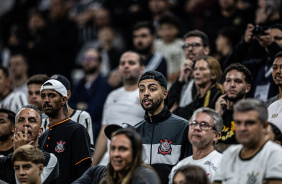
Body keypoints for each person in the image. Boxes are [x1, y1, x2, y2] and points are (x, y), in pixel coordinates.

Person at [135, 70, 191, 184]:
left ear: (165, 94)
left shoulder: (183, 127)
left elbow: (188, 171)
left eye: (152, 89)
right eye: (142, 90)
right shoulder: (134, 131)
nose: (145, 93)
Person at [92, 51, 145, 166]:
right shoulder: (112, 96)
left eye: (131, 63)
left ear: (141, 69)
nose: (126, 66)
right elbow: (103, 133)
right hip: (110, 159)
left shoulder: (147, 95)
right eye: (122, 63)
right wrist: (93, 166)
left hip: (136, 159)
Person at [213, 99, 282, 184]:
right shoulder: (229, 154)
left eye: (249, 123)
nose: (242, 128)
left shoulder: (274, 153)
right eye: (238, 123)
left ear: (264, 126)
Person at [39, 79, 91, 184]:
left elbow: (84, 173)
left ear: (63, 100)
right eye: (43, 96)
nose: (46, 100)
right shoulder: (43, 136)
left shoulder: (77, 130)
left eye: (52, 95)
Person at [0, 105, 59, 184]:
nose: (26, 124)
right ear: (14, 129)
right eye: (21, 120)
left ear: (40, 131)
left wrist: (21, 152)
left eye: (32, 120)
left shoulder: (50, 159)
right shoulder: (3, 162)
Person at [69, 48, 112, 143]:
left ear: (99, 63)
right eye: (85, 58)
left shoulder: (103, 85)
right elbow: (68, 106)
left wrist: (77, 106)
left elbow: (93, 112)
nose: (87, 62)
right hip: (78, 127)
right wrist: (81, 106)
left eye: (91, 59)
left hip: (95, 131)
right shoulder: (80, 84)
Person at [42, 74, 94, 151]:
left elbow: (87, 151)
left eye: (52, 94)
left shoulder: (81, 116)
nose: (47, 99)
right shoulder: (44, 122)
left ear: (67, 94)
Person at [169, 107, 222, 183]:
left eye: (204, 125)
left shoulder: (222, 164)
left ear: (216, 136)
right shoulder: (179, 167)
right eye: (194, 123)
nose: (197, 128)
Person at [168, 30, 210, 112]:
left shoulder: (210, 76)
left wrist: (174, 114)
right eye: (186, 45)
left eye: (195, 45)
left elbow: (199, 108)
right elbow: (165, 105)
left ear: (206, 50)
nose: (190, 49)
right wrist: (180, 80)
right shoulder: (184, 77)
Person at [214, 63, 252, 152]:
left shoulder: (251, 116)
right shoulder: (217, 113)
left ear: (248, 88)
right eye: (228, 80)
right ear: (223, 85)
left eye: (238, 81)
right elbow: (205, 145)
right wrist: (216, 116)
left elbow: (246, 150)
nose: (232, 85)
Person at [172, 56, 223, 120]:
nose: (197, 72)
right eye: (195, 69)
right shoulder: (198, 97)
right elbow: (177, 113)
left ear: (213, 75)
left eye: (202, 69)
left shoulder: (217, 96)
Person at [155, 15, 185, 87]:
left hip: (177, 82)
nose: (166, 32)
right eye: (163, 29)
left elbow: (185, 66)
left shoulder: (182, 44)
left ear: (177, 29)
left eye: (169, 28)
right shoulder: (154, 45)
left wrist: (167, 78)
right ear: (158, 31)